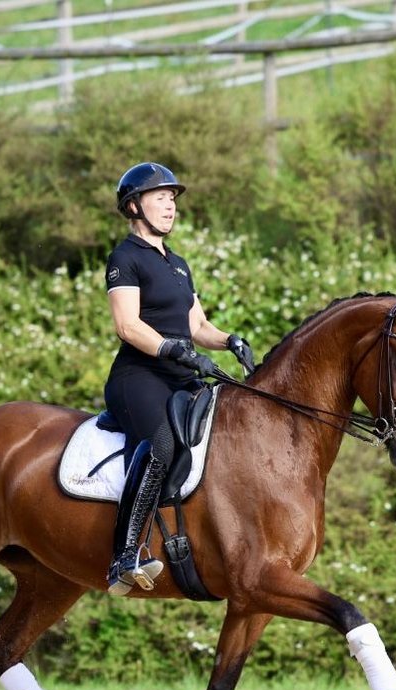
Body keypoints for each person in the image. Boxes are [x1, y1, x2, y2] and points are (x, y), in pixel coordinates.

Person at [103, 162, 256, 596]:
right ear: (134, 206)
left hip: (179, 372)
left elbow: (197, 327)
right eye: (160, 198)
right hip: (139, 377)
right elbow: (128, 326)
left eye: (172, 199)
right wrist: (173, 350)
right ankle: (126, 554)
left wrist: (230, 340)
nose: (170, 206)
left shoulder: (179, 264)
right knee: (163, 445)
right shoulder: (125, 258)